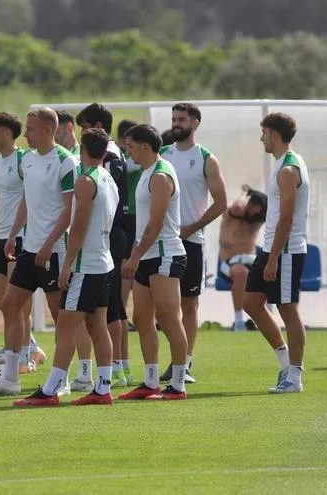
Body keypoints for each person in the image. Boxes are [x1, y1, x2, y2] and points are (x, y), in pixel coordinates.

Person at [0, 107, 77, 396]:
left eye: (31, 128)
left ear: (48, 130)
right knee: (10, 305)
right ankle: (10, 378)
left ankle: (62, 379)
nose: (26, 133)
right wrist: (10, 235)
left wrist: (47, 245)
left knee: (61, 316)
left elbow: (69, 211)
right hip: (27, 248)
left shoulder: (65, 161)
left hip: (54, 251)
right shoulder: (30, 160)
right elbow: (25, 202)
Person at [14, 128, 120, 407]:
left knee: (66, 325)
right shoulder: (108, 178)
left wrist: (67, 264)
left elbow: (80, 226)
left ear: (83, 149)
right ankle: (103, 387)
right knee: (97, 324)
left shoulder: (86, 181)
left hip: (88, 266)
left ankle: (51, 390)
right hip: (105, 262)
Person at [158, 103, 227, 384]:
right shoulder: (162, 154)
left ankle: (183, 364)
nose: (176, 123)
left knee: (188, 305)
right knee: (163, 308)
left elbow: (221, 203)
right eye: (173, 119)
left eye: (182, 119)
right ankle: (173, 361)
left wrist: (190, 228)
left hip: (192, 243)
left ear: (195, 123)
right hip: (162, 243)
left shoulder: (206, 158)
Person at [119, 124, 188, 401]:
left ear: (145, 147)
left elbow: (157, 222)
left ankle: (179, 383)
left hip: (165, 254)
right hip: (147, 255)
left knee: (169, 318)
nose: (128, 151)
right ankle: (149, 382)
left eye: (131, 146)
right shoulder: (147, 173)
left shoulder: (160, 175)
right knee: (141, 318)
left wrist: (134, 255)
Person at [242, 112, 310, 394]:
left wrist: (273, 258)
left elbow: (287, 219)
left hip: (285, 251)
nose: (261, 138)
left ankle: (295, 377)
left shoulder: (288, 170)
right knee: (251, 303)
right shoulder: (282, 164)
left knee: (288, 310)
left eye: (264, 133)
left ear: (274, 135)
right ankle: (285, 363)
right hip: (271, 248)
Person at [0, 112, 46, 373]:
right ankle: (27, 346)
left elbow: (32, 198)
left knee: (16, 301)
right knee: (1, 301)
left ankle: (23, 354)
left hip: (20, 238)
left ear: (7, 133)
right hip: (2, 238)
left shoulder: (23, 160)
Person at [73, 103, 131, 390]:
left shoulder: (105, 161)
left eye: (84, 127)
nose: (81, 133)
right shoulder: (110, 159)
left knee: (106, 311)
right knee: (110, 309)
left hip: (105, 239)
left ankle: (114, 369)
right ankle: (116, 369)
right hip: (110, 237)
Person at [217, 185, 267, 330]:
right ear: (250, 203)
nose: (256, 212)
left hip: (251, 259)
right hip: (230, 262)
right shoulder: (230, 213)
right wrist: (246, 192)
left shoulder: (257, 221)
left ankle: (263, 319)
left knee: (272, 272)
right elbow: (238, 207)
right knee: (241, 273)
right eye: (255, 207)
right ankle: (239, 321)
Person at [116, 118, 140, 384]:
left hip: (134, 226)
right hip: (129, 226)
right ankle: (122, 366)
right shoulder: (123, 161)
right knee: (120, 305)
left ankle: (122, 366)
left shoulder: (127, 162)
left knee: (123, 306)